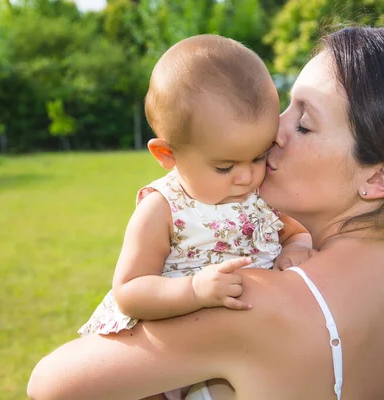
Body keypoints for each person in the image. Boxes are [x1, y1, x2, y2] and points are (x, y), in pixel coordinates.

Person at [27, 26, 384, 400]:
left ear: (376, 180)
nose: (273, 129)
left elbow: (51, 384)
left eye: (304, 123)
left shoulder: (249, 296)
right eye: (285, 104)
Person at [78, 34, 312, 400]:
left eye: (258, 156)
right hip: (160, 348)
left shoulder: (262, 195)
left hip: (235, 351)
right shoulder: (163, 207)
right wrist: (194, 290)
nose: (246, 176)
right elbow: (129, 290)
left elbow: (296, 233)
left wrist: (297, 248)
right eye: (224, 166)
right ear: (167, 155)